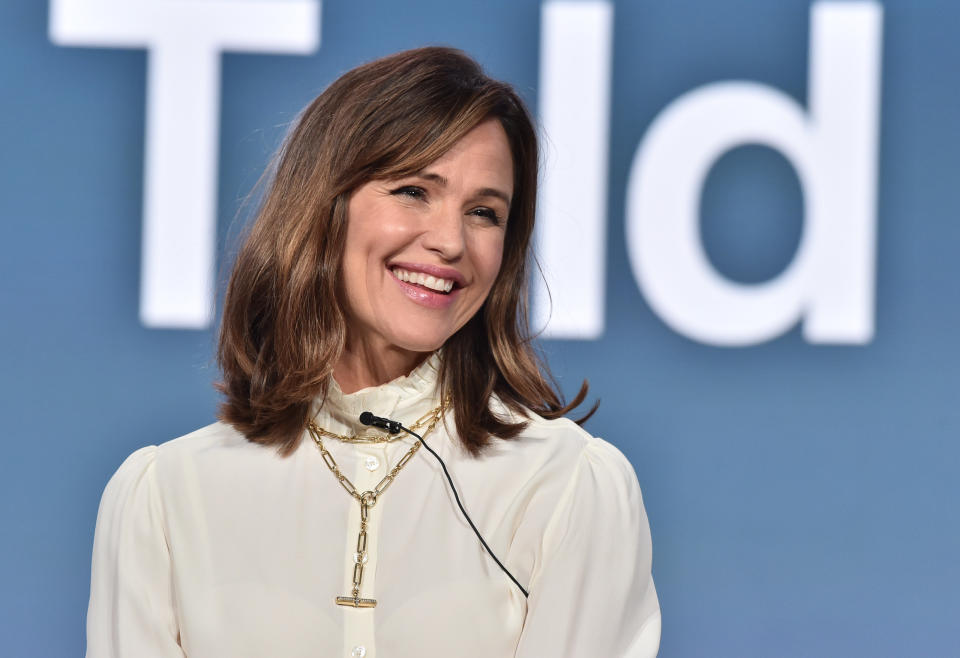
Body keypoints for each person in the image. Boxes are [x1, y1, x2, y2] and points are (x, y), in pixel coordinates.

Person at [86, 47, 660, 657]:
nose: (449, 242)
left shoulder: (568, 486)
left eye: (484, 213)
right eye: (414, 190)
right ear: (324, 206)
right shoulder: (167, 497)